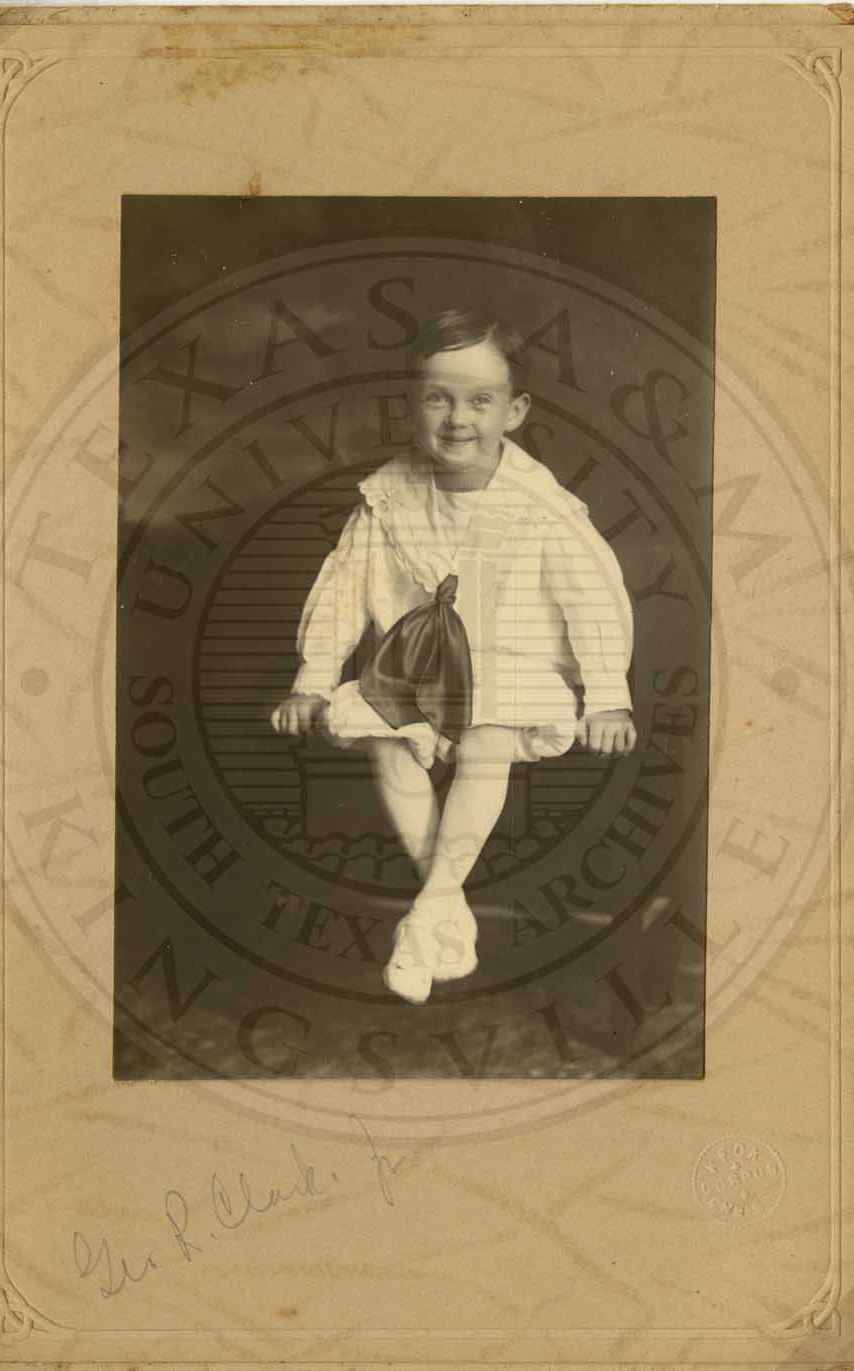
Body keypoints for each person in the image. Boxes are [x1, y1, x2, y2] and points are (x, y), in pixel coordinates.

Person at [271, 308, 636, 1005]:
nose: (458, 418)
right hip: (418, 666)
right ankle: (445, 909)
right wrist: (312, 681)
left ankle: (428, 912)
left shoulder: (539, 505)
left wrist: (608, 697)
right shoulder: (388, 496)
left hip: (512, 659)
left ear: (514, 411)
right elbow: (343, 588)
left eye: (480, 400)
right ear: (412, 405)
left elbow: (591, 597)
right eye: (438, 398)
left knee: (486, 737)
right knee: (385, 736)